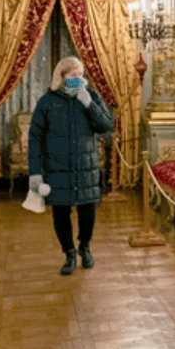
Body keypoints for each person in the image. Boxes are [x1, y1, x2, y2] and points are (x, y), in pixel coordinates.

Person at [28, 55, 115, 275]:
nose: (78, 79)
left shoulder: (90, 96)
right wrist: (35, 173)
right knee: (61, 213)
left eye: (80, 75)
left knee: (88, 212)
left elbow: (106, 126)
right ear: (62, 76)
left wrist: (88, 103)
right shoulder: (47, 102)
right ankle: (69, 253)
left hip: (86, 167)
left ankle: (85, 247)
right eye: (73, 75)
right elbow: (35, 139)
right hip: (57, 168)